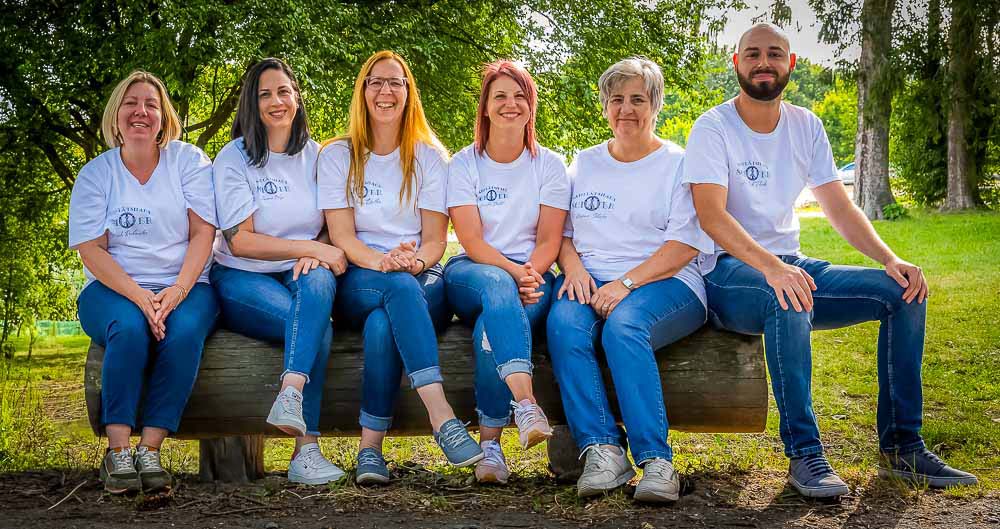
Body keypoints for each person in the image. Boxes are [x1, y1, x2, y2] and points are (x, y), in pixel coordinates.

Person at [683, 23, 978, 499]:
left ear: (790, 64)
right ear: (736, 63)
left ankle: (903, 446)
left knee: (903, 293)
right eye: (753, 53)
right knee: (789, 294)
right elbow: (711, 217)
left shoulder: (806, 124)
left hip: (792, 262)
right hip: (726, 272)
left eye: (774, 54)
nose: (764, 62)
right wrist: (771, 268)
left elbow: (838, 206)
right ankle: (805, 453)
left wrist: (890, 258)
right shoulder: (713, 127)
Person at [546, 58, 714, 502]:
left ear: (655, 105)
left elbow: (684, 246)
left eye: (638, 99)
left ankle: (656, 462)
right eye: (616, 99)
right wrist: (575, 268)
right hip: (591, 277)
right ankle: (603, 451)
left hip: (669, 280)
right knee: (563, 325)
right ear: (604, 107)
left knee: (625, 327)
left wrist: (626, 284)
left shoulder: (678, 165)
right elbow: (560, 235)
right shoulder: (583, 164)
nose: (626, 109)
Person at [317, 50, 483, 485]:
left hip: (420, 277)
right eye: (375, 82)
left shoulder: (429, 157)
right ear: (362, 91)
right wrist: (384, 262)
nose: (385, 91)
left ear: (409, 93)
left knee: (382, 326)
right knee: (394, 292)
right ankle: (441, 414)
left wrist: (414, 261)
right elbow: (343, 238)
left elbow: (433, 240)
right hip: (360, 278)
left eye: (395, 83)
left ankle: (369, 449)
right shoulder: (337, 155)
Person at [70, 71, 219, 494]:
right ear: (116, 116)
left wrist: (176, 292)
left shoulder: (189, 162)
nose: (141, 112)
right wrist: (140, 298)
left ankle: (151, 449)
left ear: (163, 116)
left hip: (187, 283)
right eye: (131, 103)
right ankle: (118, 452)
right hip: (113, 288)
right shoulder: (96, 175)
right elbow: (92, 250)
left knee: (185, 331)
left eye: (151, 104)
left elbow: (202, 234)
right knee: (130, 328)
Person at [209, 58, 347, 485]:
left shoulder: (317, 155)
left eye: (283, 91)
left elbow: (331, 220)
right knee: (313, 328)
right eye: (264, 93)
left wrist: (318, 247)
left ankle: (291, 396)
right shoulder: (233, 158)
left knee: (320, 278)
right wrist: (308, 246)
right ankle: (307, 451)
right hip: (241, 275)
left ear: (297, 97)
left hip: (299, 271)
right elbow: (240, 240)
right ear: (252, 102)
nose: (276, 101)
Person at [444, 60, 568, 484]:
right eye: (500, 96)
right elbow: (473, 242)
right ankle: (526, 402)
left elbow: (550, 239)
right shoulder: (464, 164)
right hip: (472, 272)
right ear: (485, 107)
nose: (510, 104)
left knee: (487, 334)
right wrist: (515, 273)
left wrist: (530, 274)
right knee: (496, 286)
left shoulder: (549, 165)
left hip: (534, 276)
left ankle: (491, 448)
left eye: (519, 96)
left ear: (531, 107)